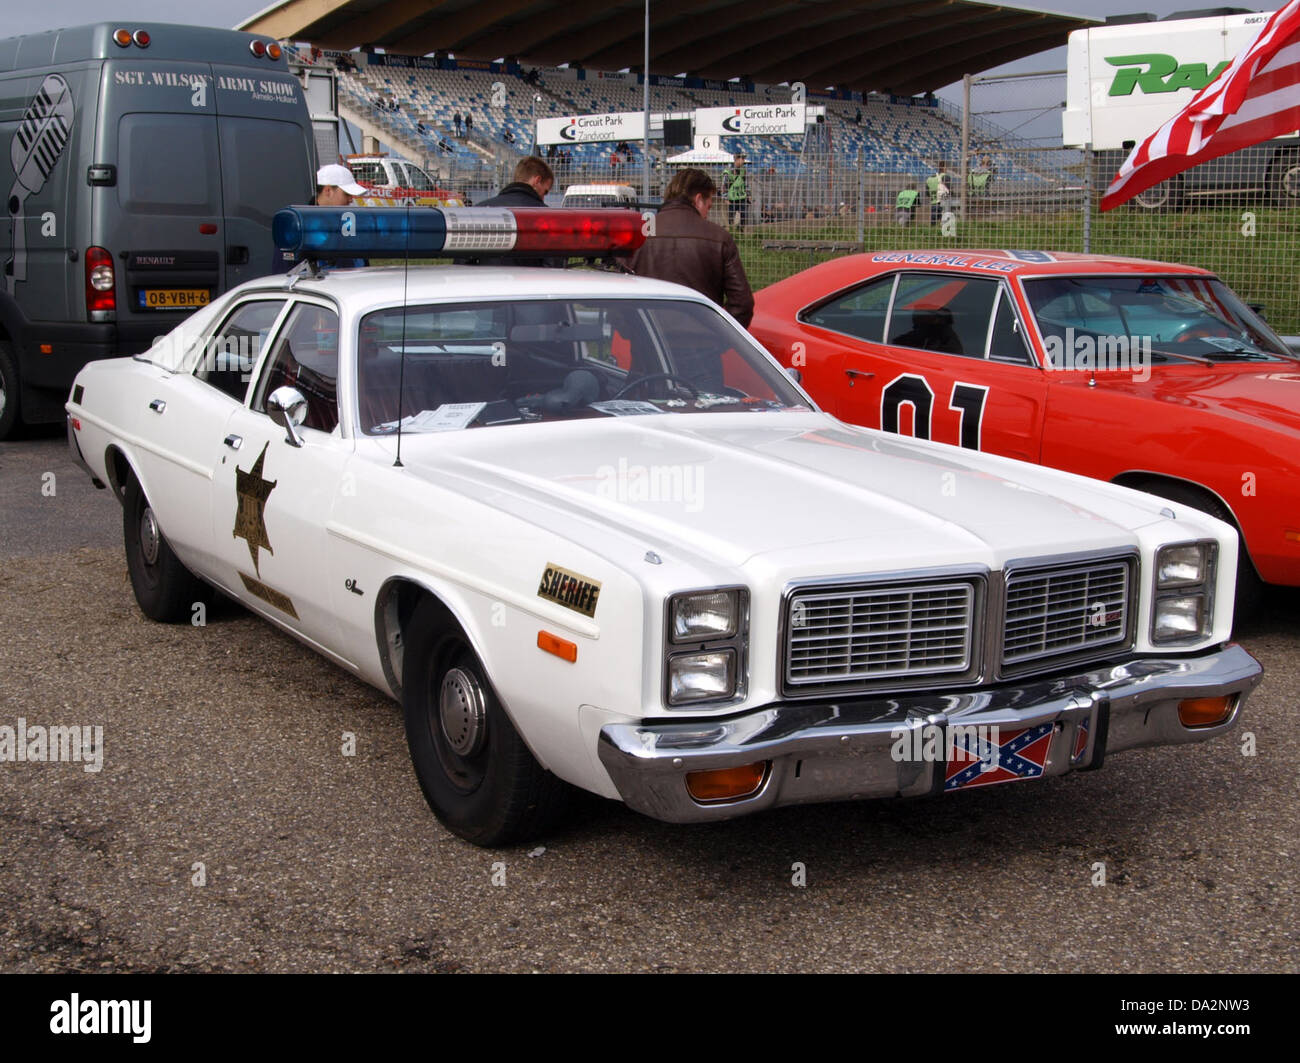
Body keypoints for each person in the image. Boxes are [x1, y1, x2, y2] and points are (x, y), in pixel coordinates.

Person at [630, 167, 753, 328]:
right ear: (698, 199)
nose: (707, 215)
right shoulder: (718, 237)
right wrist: (722, 335)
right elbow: (742, 303)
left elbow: (617, 293)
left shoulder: (639, 233)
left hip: (648, 341)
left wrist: (634, 332)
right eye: (708, 207)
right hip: (702, 344)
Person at [480, 155, 553, 207]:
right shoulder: (545, 216)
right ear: (537, 181)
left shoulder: (480, 210)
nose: (543, 198)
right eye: (545, 192)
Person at [721, 155, 750, 229]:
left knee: (744, 214)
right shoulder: (728, 171)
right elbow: (724, 185)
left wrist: (748, 194)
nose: (743, 161)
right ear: (736, 159)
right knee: (731, 216)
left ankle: (741, 230)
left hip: (742, 196)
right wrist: (725, 198)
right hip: (732, 198)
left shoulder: (743, 170)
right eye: (742, 159)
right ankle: (732, 230)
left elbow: (745, 183)